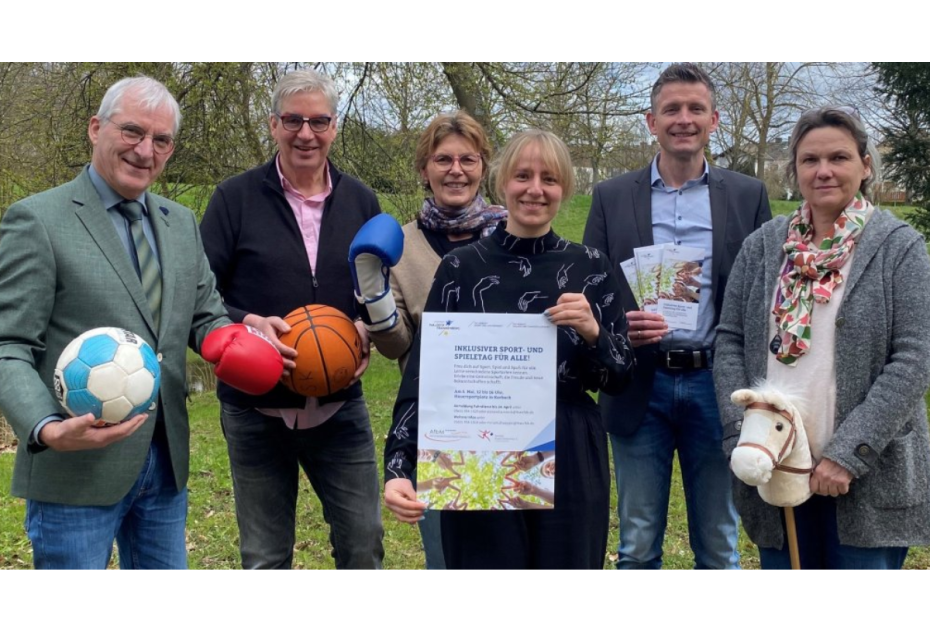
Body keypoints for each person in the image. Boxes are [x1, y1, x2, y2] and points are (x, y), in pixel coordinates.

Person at [0, 76, 251, 569]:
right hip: (76, 466)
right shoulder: (38, 219)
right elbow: (9, 343)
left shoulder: (180, 221)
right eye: (132, 131)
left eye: (160, 140)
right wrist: (47, 427)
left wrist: (243, 339)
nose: (144, 150)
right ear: (96, 128)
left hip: (165, 464)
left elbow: (206, 317)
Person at [383, 129, 635, 569]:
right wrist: (399, 466)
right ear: (502, 182)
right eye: (523, 175)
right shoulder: (460, 268)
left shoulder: (590, 266)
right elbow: (425, 375)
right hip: (480, 444)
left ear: (565, 189)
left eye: (549, 179)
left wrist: (595, 333)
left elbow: (622, 376)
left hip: (570, 447)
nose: (535, 189)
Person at [714, 106, 930, 569]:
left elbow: (915, 359)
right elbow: (729, 339)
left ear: (865, 165)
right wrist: (743, 438)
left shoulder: (900, 247)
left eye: (839, 157)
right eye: (810, 160)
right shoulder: (763, 246)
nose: (824, 170)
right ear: (795, 169)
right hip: (776, 469)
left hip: (865, 479)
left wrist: (849, 453)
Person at [583, 63, 771, 569]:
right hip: (639, 382)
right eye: (671, 109)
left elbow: (765, 292)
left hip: (718, 385)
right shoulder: (610, 196)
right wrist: (621, 324)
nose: (683, 119)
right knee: (638, 541)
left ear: (714, 120)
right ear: (651, 121)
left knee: (719, 541)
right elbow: (590, 287)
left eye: (695, 109)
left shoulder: (748, 195)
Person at [199, 69, 384, 569]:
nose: (306, 133)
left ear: (335, 126)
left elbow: (375, 288)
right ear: (273, 124)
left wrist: (365, 326)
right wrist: (247, 322)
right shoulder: (233, 198)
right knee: (265, 557)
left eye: (319, 121)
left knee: (364, 546)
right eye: (293, 120)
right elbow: (200, 296)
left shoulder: (361, 200)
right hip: (254, 410)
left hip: (339, 407)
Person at [360, 110, 505, 569]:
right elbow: (396, 346)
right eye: (443, 160)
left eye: (468, 159)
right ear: (425, 169)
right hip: (437, 424)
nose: (456, 170)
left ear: (484, 166)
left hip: (512, 419)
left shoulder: (513, 236)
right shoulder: (399, 247)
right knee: (447, 562)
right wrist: (374, 293)